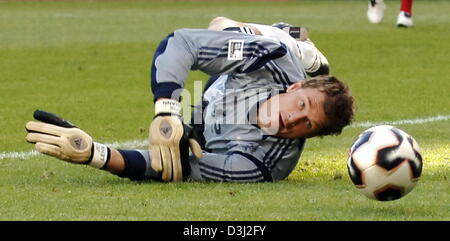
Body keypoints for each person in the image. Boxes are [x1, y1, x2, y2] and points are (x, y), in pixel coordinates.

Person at [25, 18, 355, 183]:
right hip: (272, 47)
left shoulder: (264, 164)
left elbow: (179, 167)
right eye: (300, 107)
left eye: (307, 126)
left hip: (212, 104)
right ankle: (308, 56)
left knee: (190, 133)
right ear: (295, 89)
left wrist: (96, 155)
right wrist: (166, 109)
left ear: (309, 137)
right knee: (221, 24)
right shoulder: (270, 60)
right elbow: (183, 43)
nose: (293, 121)